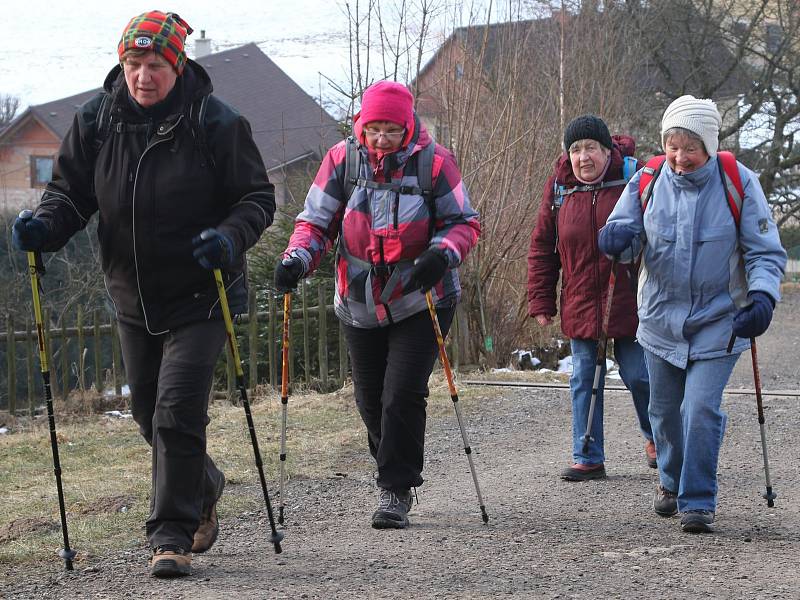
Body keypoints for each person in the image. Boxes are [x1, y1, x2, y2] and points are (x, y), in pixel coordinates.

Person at [12, 11, 275, 576]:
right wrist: (45, 229)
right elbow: (70, 196)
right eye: (134, 63)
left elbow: (256, 199)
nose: (143, 75)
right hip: (131, 295)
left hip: (202, 294)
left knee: (177, 413)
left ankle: (170, 536)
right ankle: (205, 483)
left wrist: (229, 238)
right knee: (147, 415)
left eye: (156, 64)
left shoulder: (216, 123)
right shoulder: (97, 121)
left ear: (177, 65)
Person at [274, 80, 480, 529]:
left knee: (401, 392)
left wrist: (442, 253)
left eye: (391, 130)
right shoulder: (341, 160)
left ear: (407, 127)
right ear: (360, 126)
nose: (381, 139)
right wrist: (297, 260)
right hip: (359, 299)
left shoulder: (435, 163)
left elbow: (463, 221)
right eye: (374, 130)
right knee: (370, 399)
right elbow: (316, 222)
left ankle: (395, 488)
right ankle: (393, 464)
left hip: (421, 297)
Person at [599, 95, 786, 533]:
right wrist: (615, 239)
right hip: (661, 320)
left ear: (709, 146)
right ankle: (670, 480)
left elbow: (764, 252)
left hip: (721, 322)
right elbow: (621, 235)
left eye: (690, 147)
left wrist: (762, 299)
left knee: (700, 409)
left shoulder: (738, 183)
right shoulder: (647, 179)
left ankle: (698, 499)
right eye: (672, 145)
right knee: (663, 412)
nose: (680, 157)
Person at [528, 115, 655, 482]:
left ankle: (657, 439)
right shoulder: (559, 188)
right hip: (582, 299)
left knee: (640, 375)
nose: (583, 157)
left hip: (631, 299)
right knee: (585, 377)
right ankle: (587, 455)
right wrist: (541, 300)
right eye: (575, 150)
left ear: (606, 150)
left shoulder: (635, 178)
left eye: (591, 148)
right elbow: (542, 247)